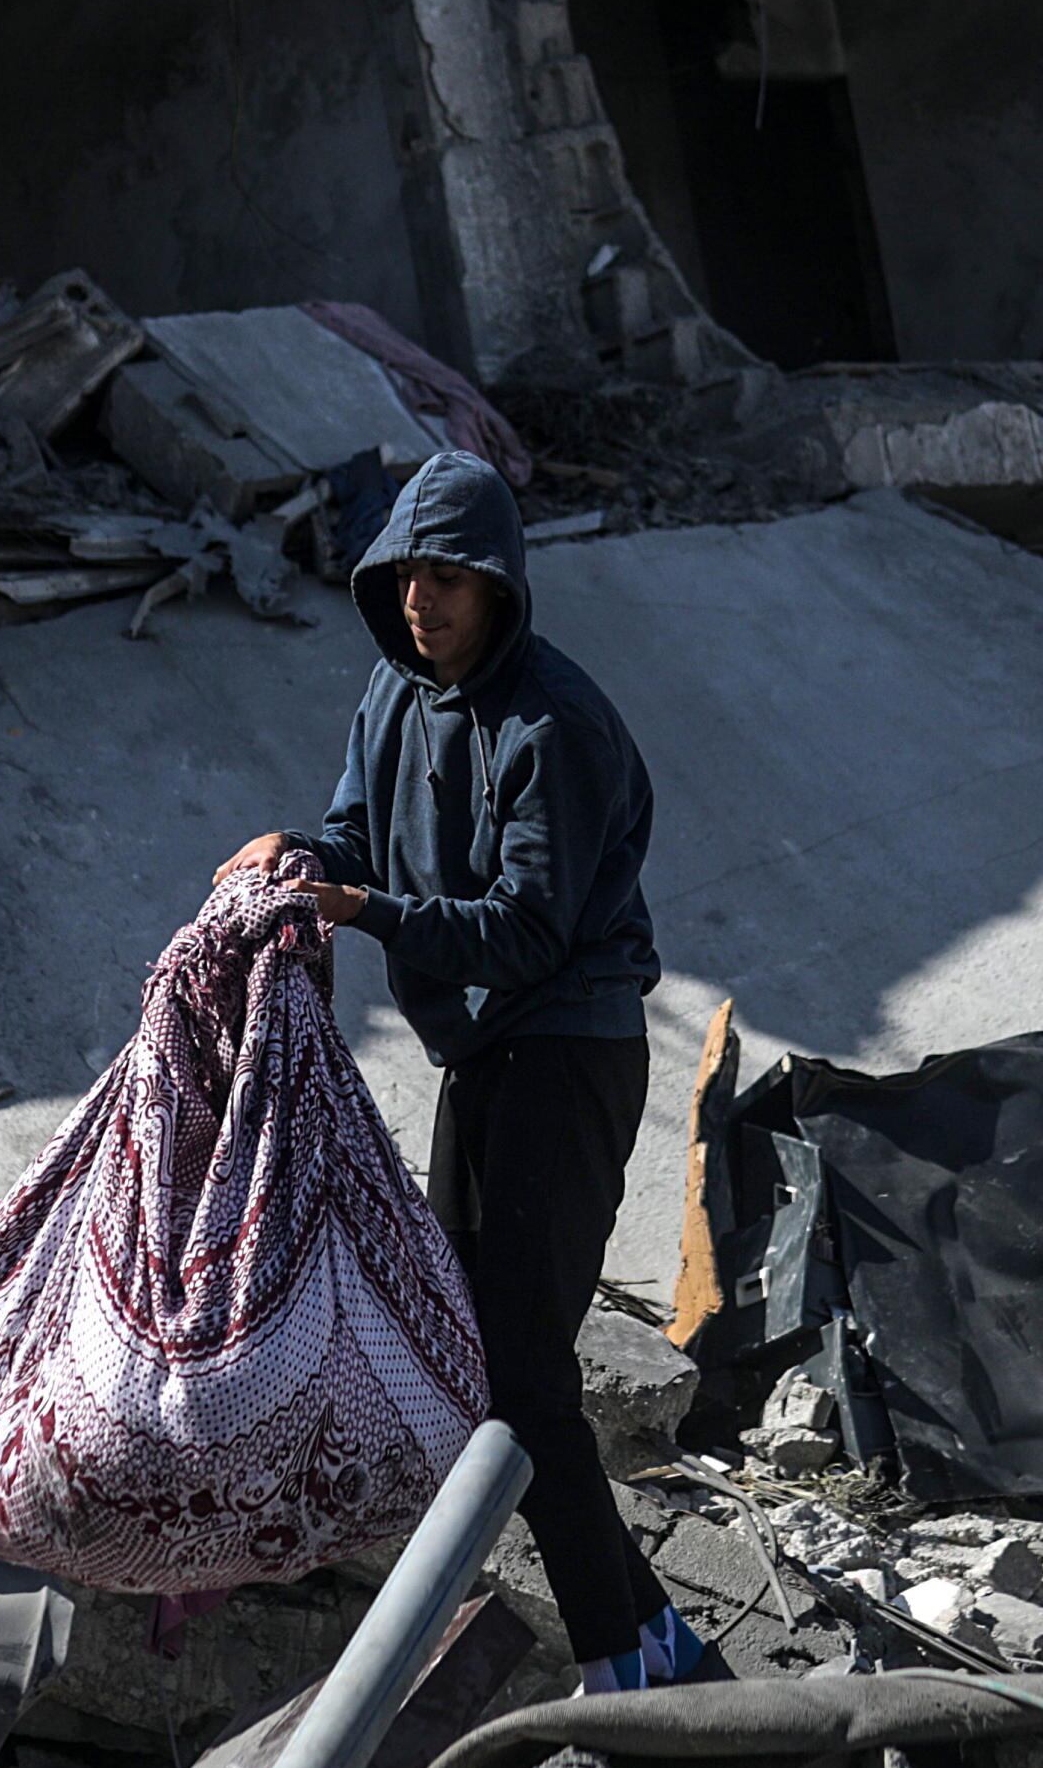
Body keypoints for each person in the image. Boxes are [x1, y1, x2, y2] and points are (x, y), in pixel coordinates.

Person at [228, 449, 730, 1695]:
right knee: (472, 1361)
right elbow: (351, 832)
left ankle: (617, 1665)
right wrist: (292, 852)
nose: (422, 603)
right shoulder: (390, 697)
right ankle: (662, 1640)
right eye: (405, 579)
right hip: (482, 1053)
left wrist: (367, 911)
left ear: (499, 588)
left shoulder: (553, 722)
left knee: (517, 1375)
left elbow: (524, 928)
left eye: (447, 580)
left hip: (566, 1051)